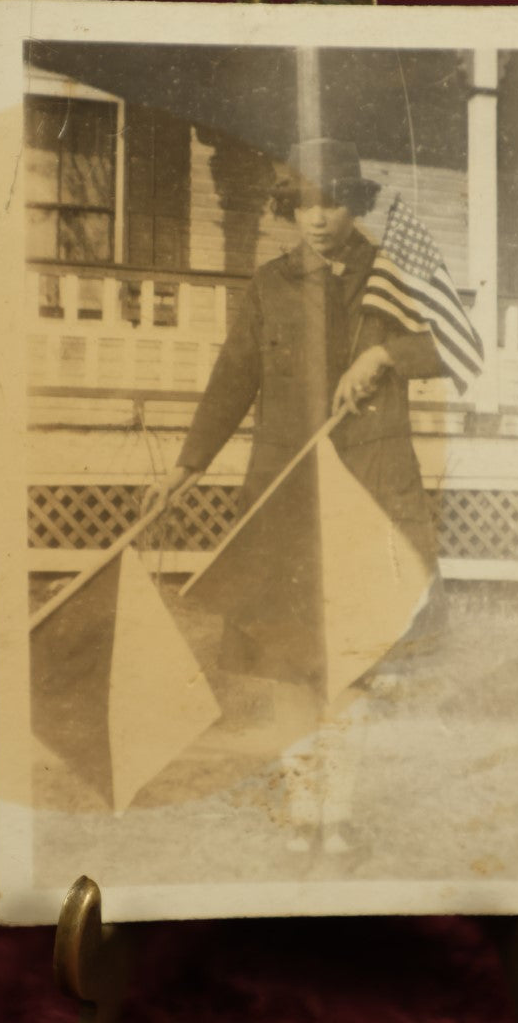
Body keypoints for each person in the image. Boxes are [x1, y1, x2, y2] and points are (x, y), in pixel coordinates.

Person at [143, 137, 447, 856]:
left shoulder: (392, 275)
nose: (317, 217)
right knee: (287, 656)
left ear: (356, 203)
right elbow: (232, 378)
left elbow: (449, 346)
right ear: (287, 208)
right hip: (286, 486)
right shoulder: (271, 284)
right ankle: (302, 803)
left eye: (332, 200)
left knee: (352, 652)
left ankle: (335, 813)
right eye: (302, 203)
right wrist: (187, 467)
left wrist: (384, 353)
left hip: (369, 484)